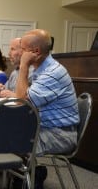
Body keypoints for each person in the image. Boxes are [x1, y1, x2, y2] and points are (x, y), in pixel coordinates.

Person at [15, 29, 80, 188]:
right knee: (6, 134)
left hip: (60, 134)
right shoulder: (41, 69)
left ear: (35, 51)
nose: (19, 53)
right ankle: (30, 175)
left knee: (10, 140)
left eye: (22, 49)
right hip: (47, 129)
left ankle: (31, 175)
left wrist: (23, 65)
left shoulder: (52, 72)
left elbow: (22, 101)